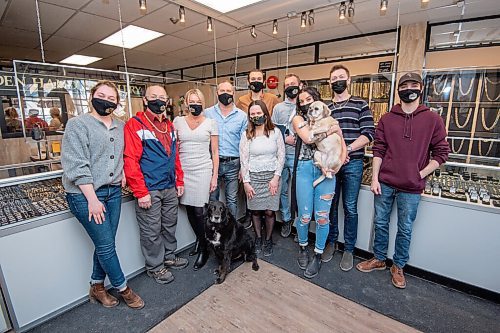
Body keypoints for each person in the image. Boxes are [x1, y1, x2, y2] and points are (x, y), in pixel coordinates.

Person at [356, 73, 450, 289]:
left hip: (412, 188)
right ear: (398, 90)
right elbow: (378, 149)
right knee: (380, 223)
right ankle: (379, 258)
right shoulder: (387, 119)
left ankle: (398, 266)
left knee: (405, 228)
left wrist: (421, 173)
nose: (409, 89)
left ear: (421, 88)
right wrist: (376, 178)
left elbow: (442, 152)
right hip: (386, 183)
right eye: (404, 85)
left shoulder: (433, 119)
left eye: (413, 85)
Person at [62, 80, 144, 309]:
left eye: (111, 98)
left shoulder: (120, 125)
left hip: (113, 192)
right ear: (91, 97)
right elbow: (76, 165)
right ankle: (124, 290)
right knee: (107, 246)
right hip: (85, 195)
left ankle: (97, 286)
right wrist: (92, 200)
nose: (106, 100)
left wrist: (123, 174)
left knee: (104, 244)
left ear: (117, 103)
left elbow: (122, 155)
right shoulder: (78, 125)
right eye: (101, 95)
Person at [124, 85, 188, 285]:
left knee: (169, 225)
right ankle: (155, 267)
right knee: (151, 230)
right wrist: (140, 191)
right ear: (145, 100)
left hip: (169, 186)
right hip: (149, 188)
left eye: (162, 97)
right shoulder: (135, 125)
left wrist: (179, 180)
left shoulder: (169, 125)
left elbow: (174, 156)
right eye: (154, 97)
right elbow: (130, 160)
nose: (159, 101)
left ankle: (169, 256)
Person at [323, 65, 375, 271]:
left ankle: (349, 249)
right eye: (334, 78)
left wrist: (347, 150)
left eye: (341, 77)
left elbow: (369, 134)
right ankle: (332, 242)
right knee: (331, 205)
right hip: (331, 164)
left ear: (349, 80)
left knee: (350, 208)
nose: (338, 80)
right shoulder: (326, 108)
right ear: (329, 83)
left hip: (353, 163)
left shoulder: (361, 104)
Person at [291, 87, 346, 279]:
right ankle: (304, 247)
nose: (305, 103)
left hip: (328, 168)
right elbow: (309, 138)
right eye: (301, 101)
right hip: (305, 168)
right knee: (305, 216)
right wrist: (331, 129)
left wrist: (338, 164)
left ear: (316, 100)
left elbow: (341, 143)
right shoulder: (298, 119)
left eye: (309, 99)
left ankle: (318, 254)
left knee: (323, 217)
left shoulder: (328, 117)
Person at [174, 89, 219, 270]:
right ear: (186, 103)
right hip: (184, 170)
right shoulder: (177, 121)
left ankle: (205, 247)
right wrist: (176, 175)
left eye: (198, 100)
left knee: (200, 210)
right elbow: (175, 149)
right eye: (191, 101)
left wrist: (214, 176)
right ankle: (200, 241)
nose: (194, 104)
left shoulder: (211, 122)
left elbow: (215, 152)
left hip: (203, 169)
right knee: (190, 209)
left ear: (203, 102)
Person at [240, 100, 285, 256]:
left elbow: (281, 156)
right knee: (256, 212)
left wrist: (275, 178)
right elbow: (243, 159)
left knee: (269, 212)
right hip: (253, 177)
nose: (256, 116)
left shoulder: (276, 132)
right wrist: (246, 182)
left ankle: (268, 239)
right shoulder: (247, 134)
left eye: (258, 113)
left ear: (265, 114)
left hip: (272, 177)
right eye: (252, 114)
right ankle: (258, 238)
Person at [205, 81, 248, 221]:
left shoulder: (242, 116)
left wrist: (243, 167)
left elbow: (244, 144)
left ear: (233, 93)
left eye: (228, 91)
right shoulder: (207, 113)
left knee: (231, 200)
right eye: (222, 90)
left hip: (233, 164)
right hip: (213, 164)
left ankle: (231, 231)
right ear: (217, 93)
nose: (225, 93)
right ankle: (212, 231)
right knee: (212, 199)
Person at [271, 73, 301, 238]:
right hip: (282, 156)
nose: (290, 87)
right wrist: (286, 138)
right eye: (287, 84)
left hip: (301, 156)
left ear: (300, 85)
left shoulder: (305, 104)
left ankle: (300, 224)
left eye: (293, 83)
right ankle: (286, 220)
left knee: (300, 192)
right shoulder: (278, 108)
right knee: (282, 190)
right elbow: (274, 131)